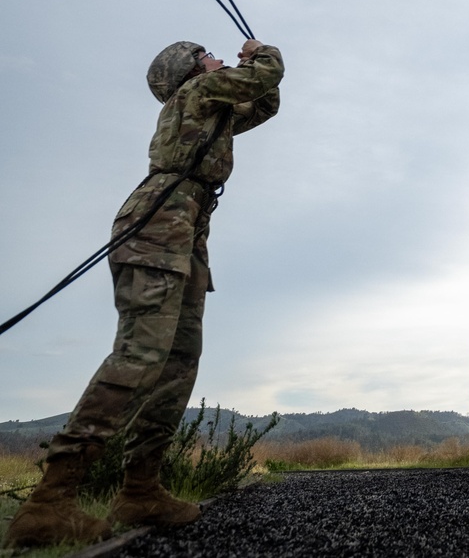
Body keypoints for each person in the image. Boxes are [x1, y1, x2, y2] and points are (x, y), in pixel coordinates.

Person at [6, 38, 283, 550]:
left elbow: (263, 101)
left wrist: (259, 68)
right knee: (142, 354)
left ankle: (140, 490)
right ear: (189, 70)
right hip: (161, 221)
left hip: (188, 224)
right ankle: (49, 502)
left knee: (178, 360)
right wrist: (263, 51)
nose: (217, 55)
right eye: (207, 51)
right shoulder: (199, 91)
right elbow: (265, 76)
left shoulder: (211, 109)